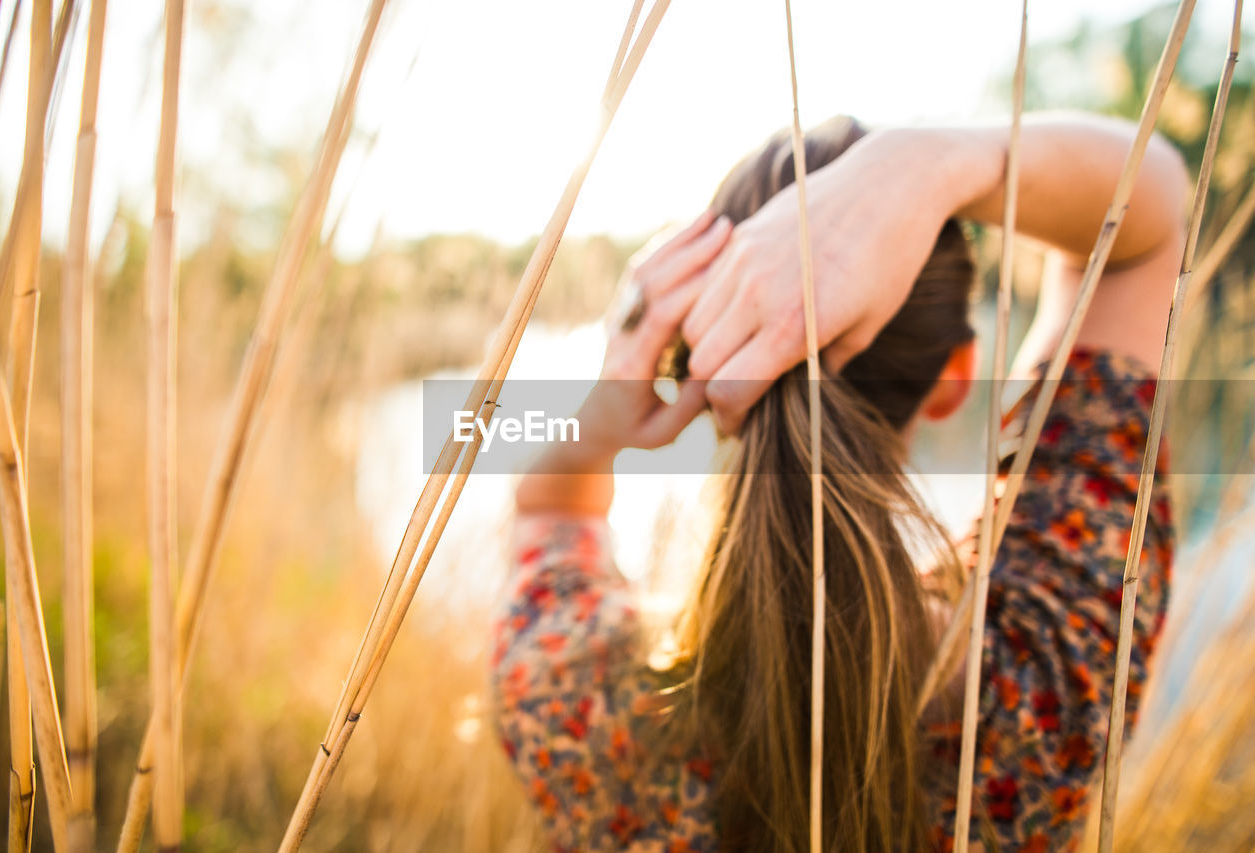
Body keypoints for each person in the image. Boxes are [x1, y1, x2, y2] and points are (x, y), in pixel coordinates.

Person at [491, 113, 1182, 852]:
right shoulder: (1051, 664)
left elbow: (549, 506)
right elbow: (1147, 219)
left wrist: (599, 418)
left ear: (697, 364)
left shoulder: (571, 694)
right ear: (954, 376)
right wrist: (937, 161)